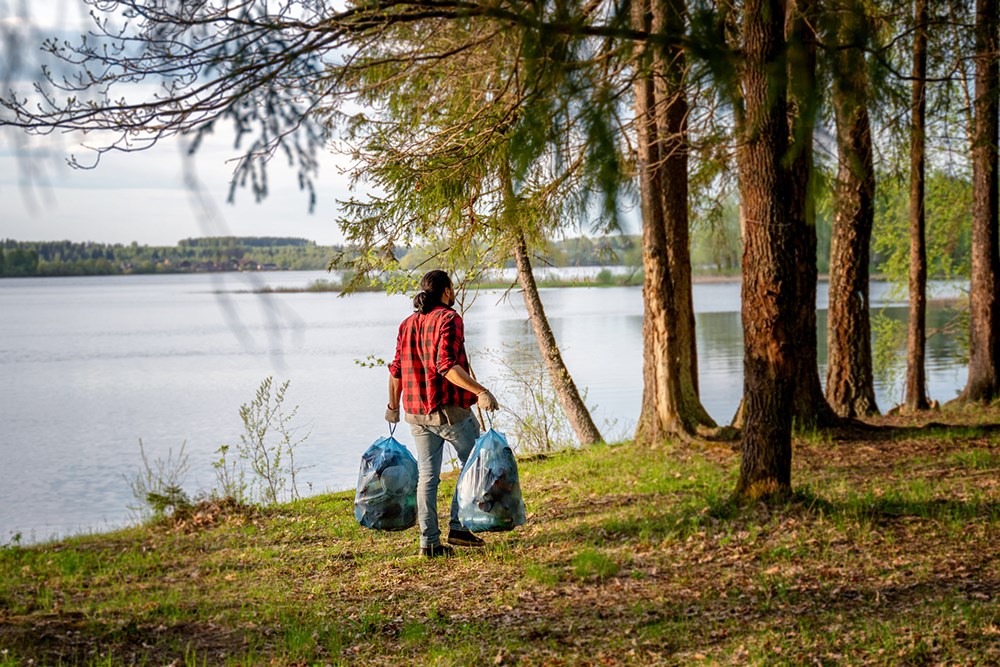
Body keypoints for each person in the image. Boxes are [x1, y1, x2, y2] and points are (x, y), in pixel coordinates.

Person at [386, 270, 500, 558]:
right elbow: (446, 365)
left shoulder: (407, 323)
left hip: (414, 412)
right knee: (473, 465)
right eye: (452, 288)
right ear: (447, 291)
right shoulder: (449, 319)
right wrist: (480, 391)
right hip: (447, 410)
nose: (454, 292)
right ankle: (458, 528)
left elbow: (397, 370)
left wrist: (393, 407)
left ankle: (429, 544)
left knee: (428, 476)